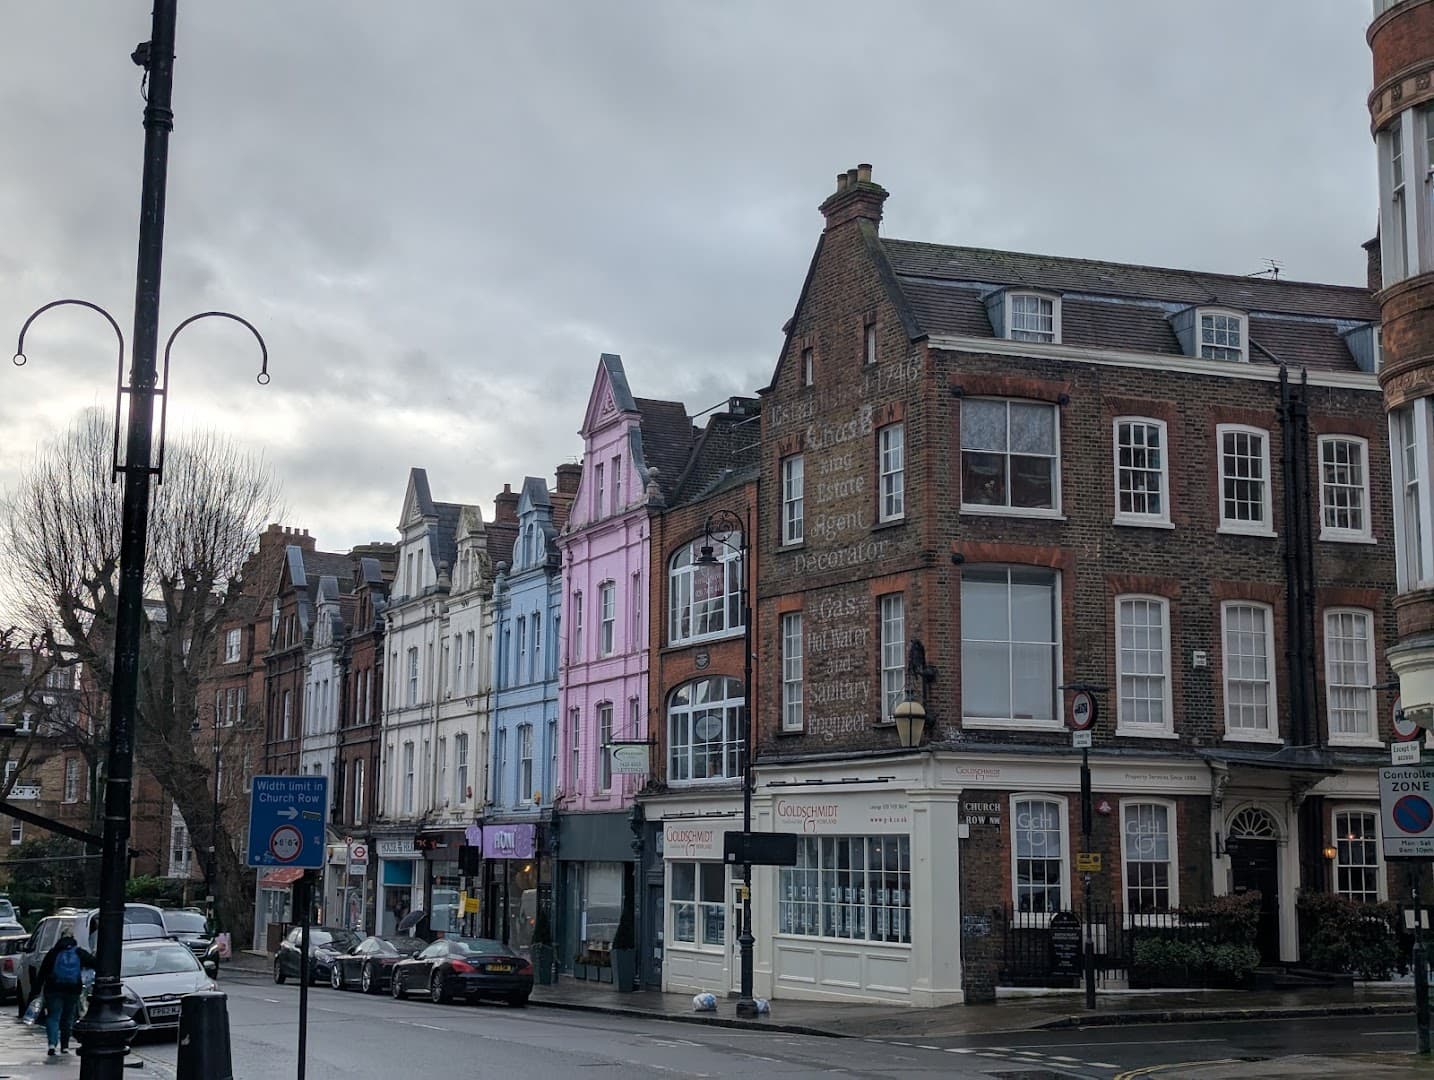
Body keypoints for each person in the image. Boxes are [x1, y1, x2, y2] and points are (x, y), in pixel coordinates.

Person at [35, 928, 95, 1059]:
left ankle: (52, 1044)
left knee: (53, 1017)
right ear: (73, 938)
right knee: (68, 1018)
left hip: (53, 990)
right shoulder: (79, 952)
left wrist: (36, 991)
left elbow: (42, 972)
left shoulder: (53, 953)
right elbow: (94, 962)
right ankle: (65, 1046)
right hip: (72, 990)